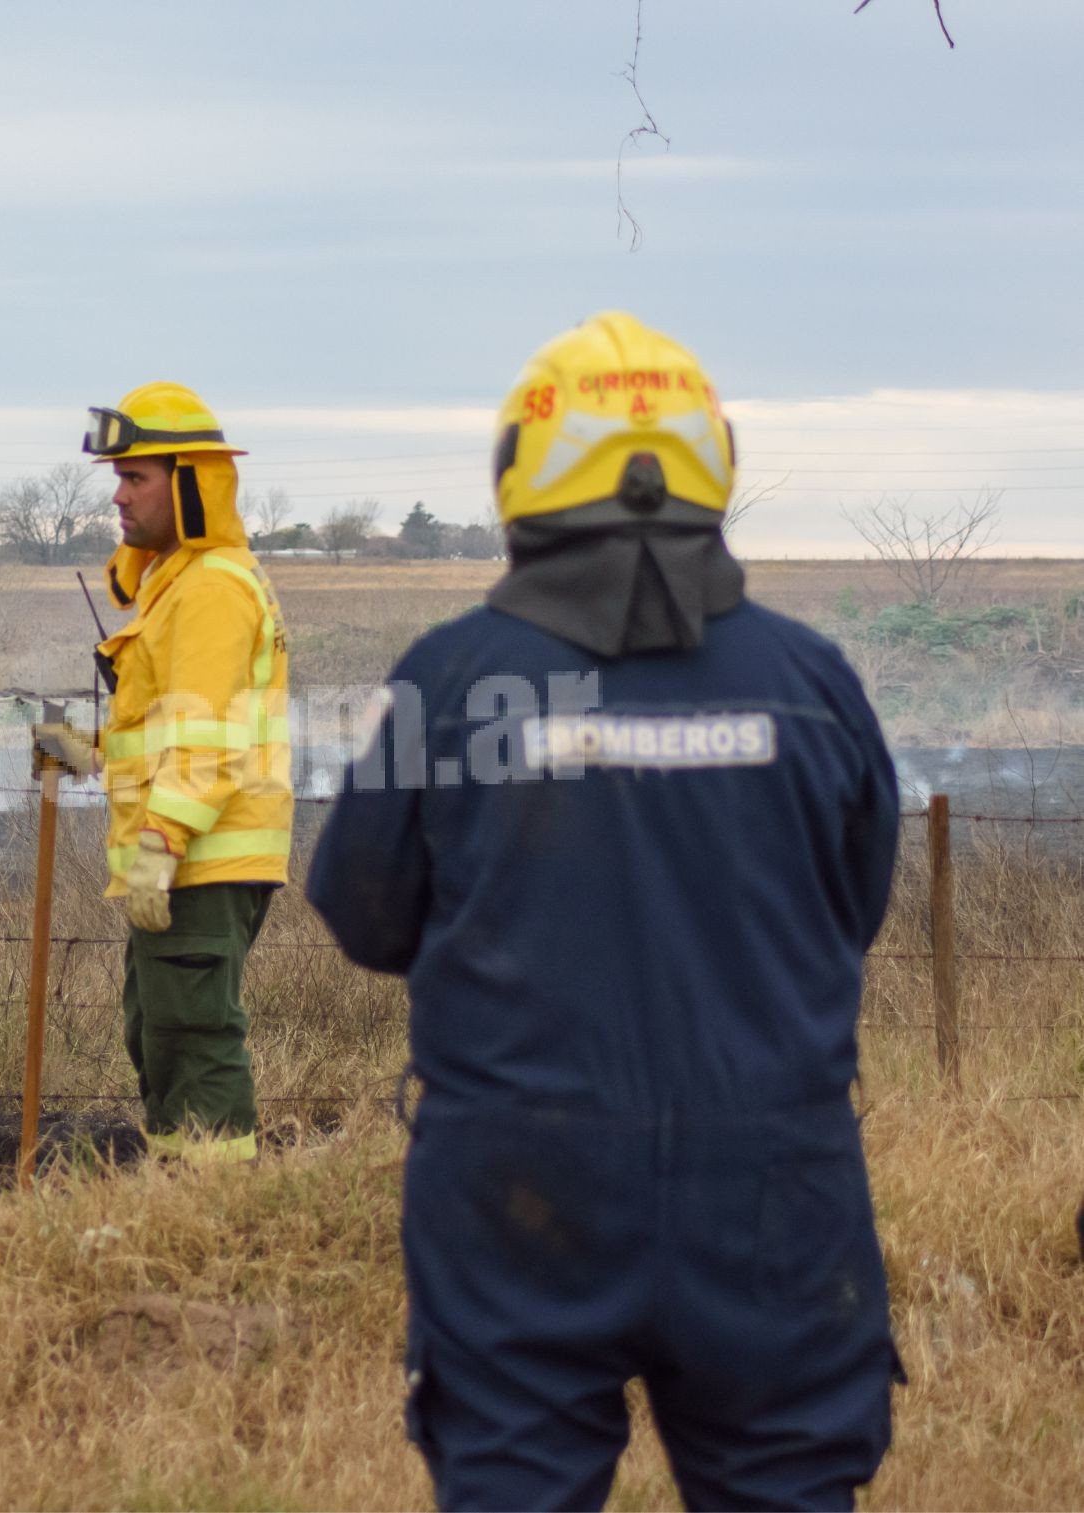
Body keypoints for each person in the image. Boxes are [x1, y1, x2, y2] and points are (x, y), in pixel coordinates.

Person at [308, 313, 902, 1510]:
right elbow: (856, 903)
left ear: (521, 473)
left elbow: (365, 914)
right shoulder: (811, 681)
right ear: (709, 465)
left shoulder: (450, 677)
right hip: (773, 1185)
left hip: (520, 1186)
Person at [33, 383, 292, 1163]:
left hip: (200, 856)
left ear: (189, 481)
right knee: (160, 1032)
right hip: (187, 854)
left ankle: (216, 1198)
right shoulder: (180, 580)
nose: (117, 495)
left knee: (195, 1034)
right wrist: (87, 749)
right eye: (117, 477)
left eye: (134, 477)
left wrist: (163, 840)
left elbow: (207, 736)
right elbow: (169, 727)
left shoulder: (211, 586)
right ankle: (181, 1177)